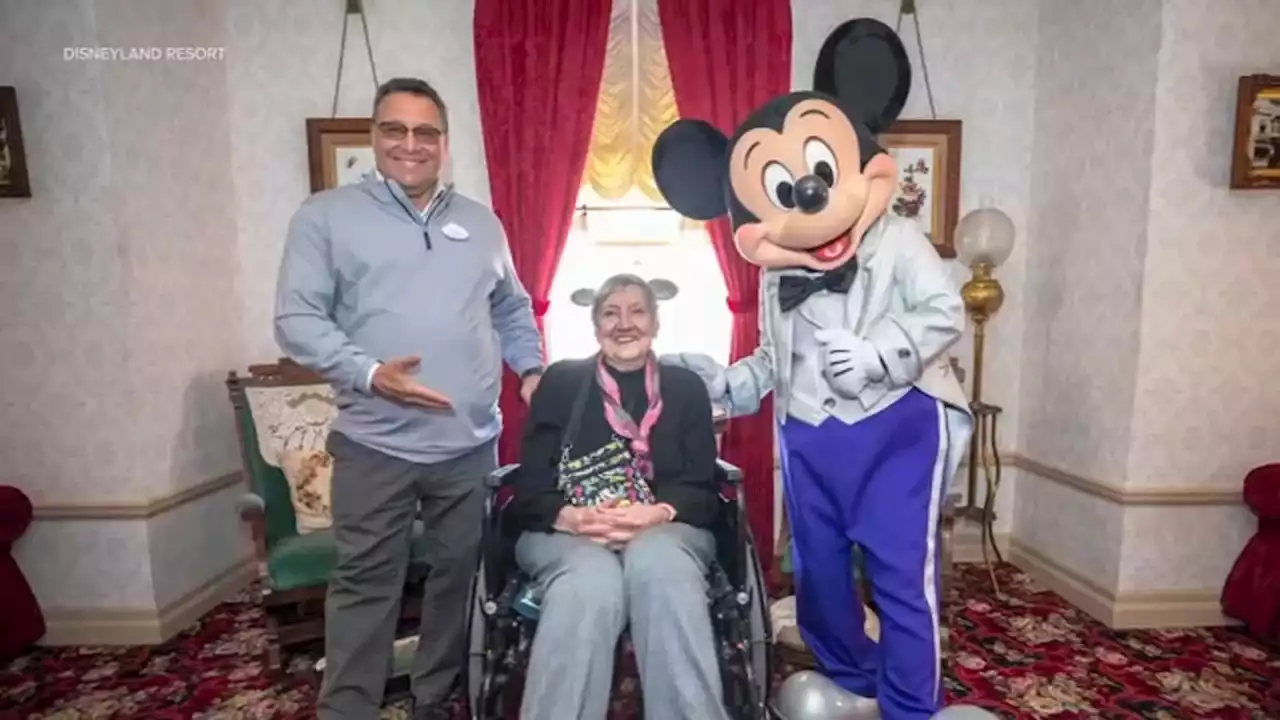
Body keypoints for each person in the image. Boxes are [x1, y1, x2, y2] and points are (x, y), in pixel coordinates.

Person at [652, 19, 973, 720]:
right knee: (821, 577)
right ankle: (852, 680)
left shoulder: (898, 239)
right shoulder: (775, 272)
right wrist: (719, 382)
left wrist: (881, 348)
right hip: (809, 439)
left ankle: (912, 706)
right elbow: (776, 359)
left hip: (898, 429)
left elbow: (946, 311)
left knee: (898, 578)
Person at [273, 77, 544, 720]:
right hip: (375, 443)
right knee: (367, 585)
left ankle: (435, 696)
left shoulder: (481, 224)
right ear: (374, 137)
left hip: (471, 446)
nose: (411, 144)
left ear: (444, 143)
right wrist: (370, 374)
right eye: (395, 129)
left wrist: (532, 368)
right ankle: (349, 708)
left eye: (426, 132)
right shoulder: (325, 217)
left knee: (460, 581)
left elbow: (512, 307)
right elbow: (296, 320)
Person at [507, 274, 730, 720]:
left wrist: (658, 512)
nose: (624, 324)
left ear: (656, 322)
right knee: (589, 581)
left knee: (659, 563)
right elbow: (530, 484)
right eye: (611, 312)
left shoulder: (685, 387)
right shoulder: (561, 382)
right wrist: (571, 517)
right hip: (568, 532)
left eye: (637, 311)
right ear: (595, 325)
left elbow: (704, 489)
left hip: (667, 530)